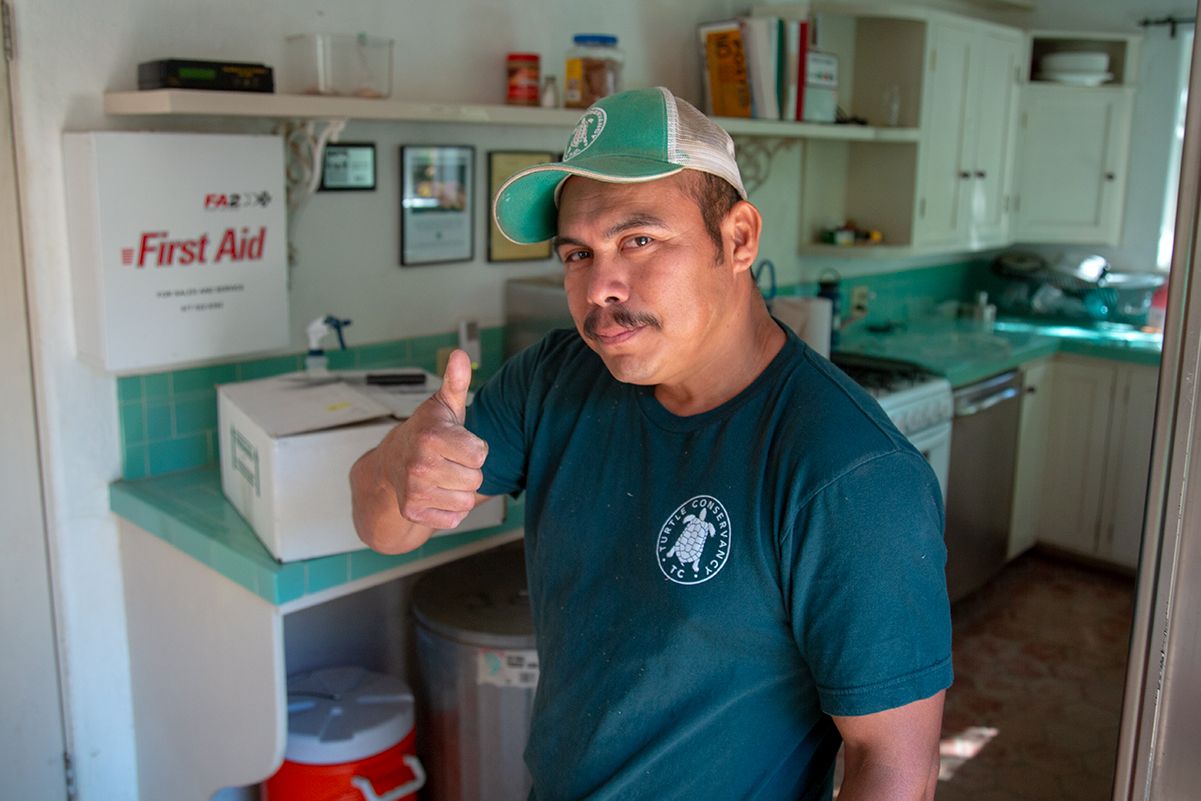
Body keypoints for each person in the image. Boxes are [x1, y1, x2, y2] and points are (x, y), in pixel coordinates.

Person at [351, 86, 952, 800]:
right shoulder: (555, 379)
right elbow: (383, 527)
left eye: (638, 240)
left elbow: (892, 762)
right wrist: (401, 458)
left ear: (737, 239)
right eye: (576, 253)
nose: (600, 285)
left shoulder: (847, 470)